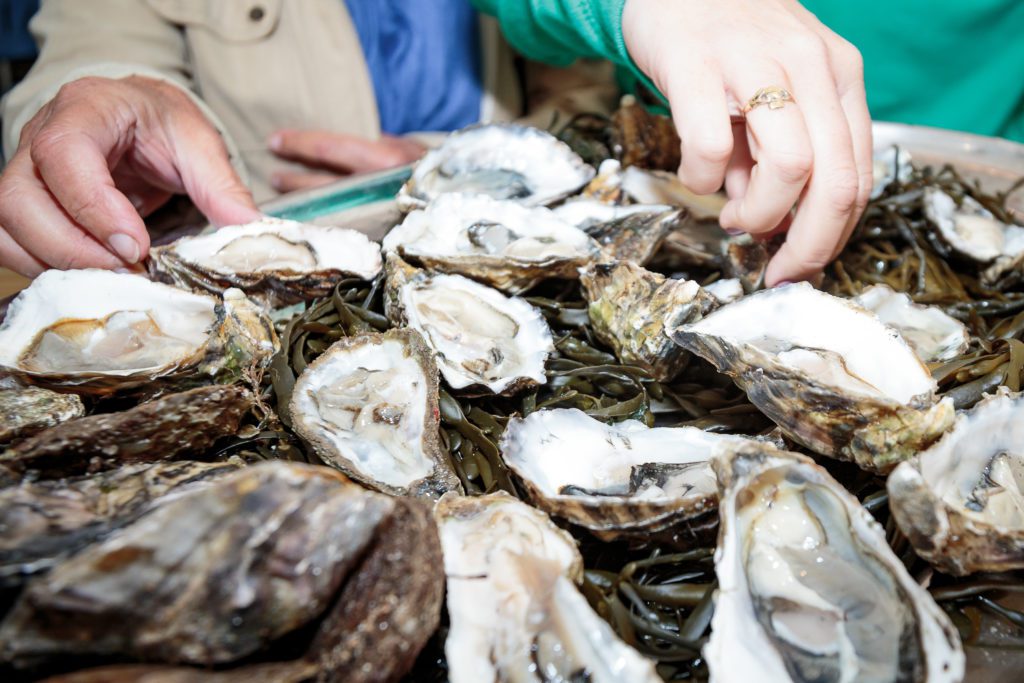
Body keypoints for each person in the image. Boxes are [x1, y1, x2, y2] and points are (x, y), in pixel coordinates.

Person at [9, 0, 982, 288]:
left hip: (502, 252)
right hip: (281, 270)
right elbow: (87, 66)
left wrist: (458, 158)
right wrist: (91, 104)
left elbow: (579, 85)